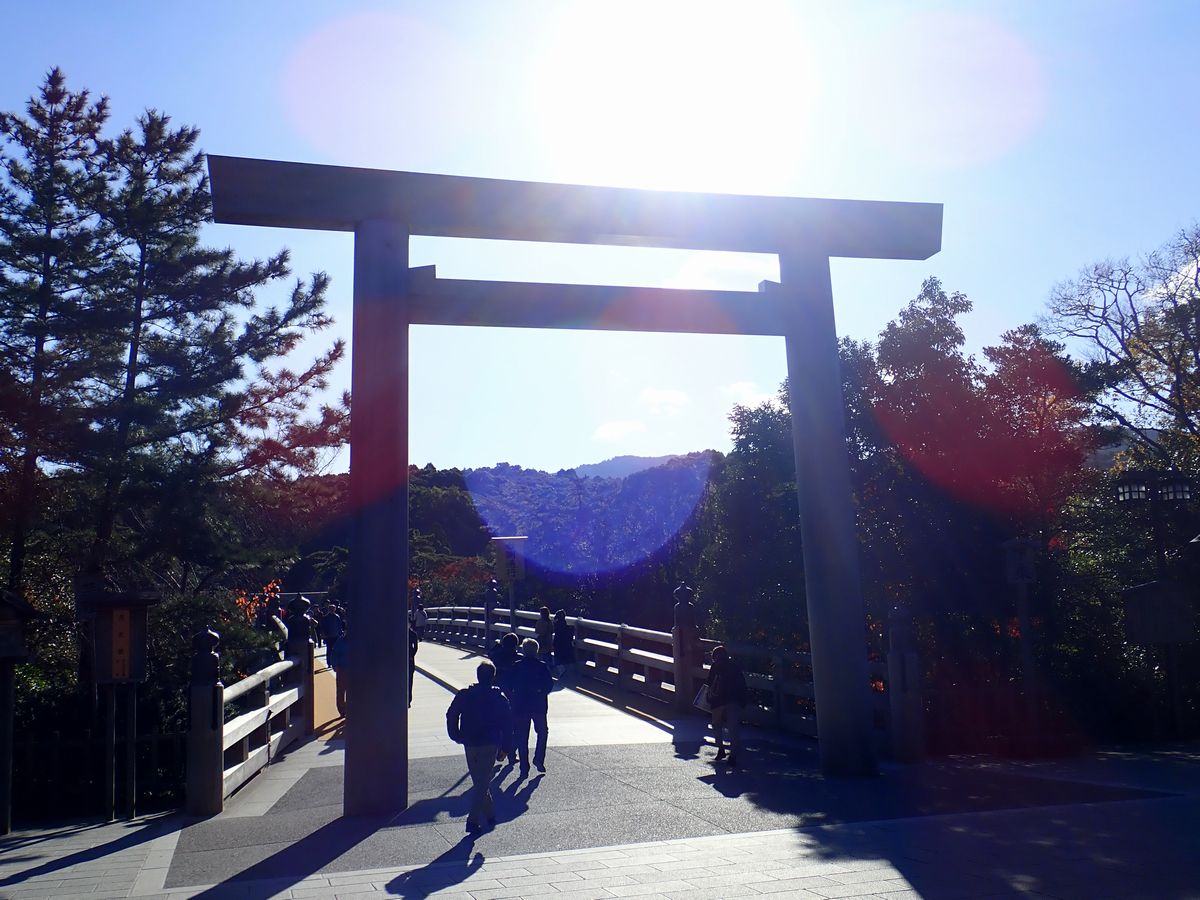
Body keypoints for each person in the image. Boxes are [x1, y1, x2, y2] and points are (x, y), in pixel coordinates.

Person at [445, 660, 513, 833]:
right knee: (481, 782)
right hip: (490, 742)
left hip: (470, 742)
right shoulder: (499, 698)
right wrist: (506, 747)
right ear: (493, 677)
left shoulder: (465, 695)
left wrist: (456, 734)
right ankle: (474, 820)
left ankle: (486, 816)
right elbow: (507, 724)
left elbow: (451, 714)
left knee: (480, 781)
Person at [507, 638, 554, 774]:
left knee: (522, 736)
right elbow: (549, 685)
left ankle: (524, 765)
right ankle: (539, 759)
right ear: (536, 651)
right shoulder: (542, 666)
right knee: (542, 732)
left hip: (520, 705)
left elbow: (508, 684)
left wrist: (512, 696)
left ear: (523, 650)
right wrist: (541, 692)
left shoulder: (516, 666)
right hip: (538, 705)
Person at [706, 645, 747, 766]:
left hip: (718, 701)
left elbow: (709, 683)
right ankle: (733, 755)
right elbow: (742, 684)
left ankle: (721, 749)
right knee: (733, 728)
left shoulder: (715, 666)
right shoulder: (734, 666)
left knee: (716, 725)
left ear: (714, 657)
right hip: (734, 700)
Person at [328, 632, 349, 717]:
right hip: (342, 668)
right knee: (341, 690)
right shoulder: (340, 641)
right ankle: (342, 710)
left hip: (354, 670)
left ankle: (351, 708)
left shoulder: (358, 640)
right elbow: (334, 653)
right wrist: (335, 665)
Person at [552, 610, 576, 679]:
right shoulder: (568, 628)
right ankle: (569, 675)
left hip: (558, 645)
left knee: (558, 660)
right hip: (567, 645)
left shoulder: (556, 626)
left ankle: (562, 673)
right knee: (567, 660)